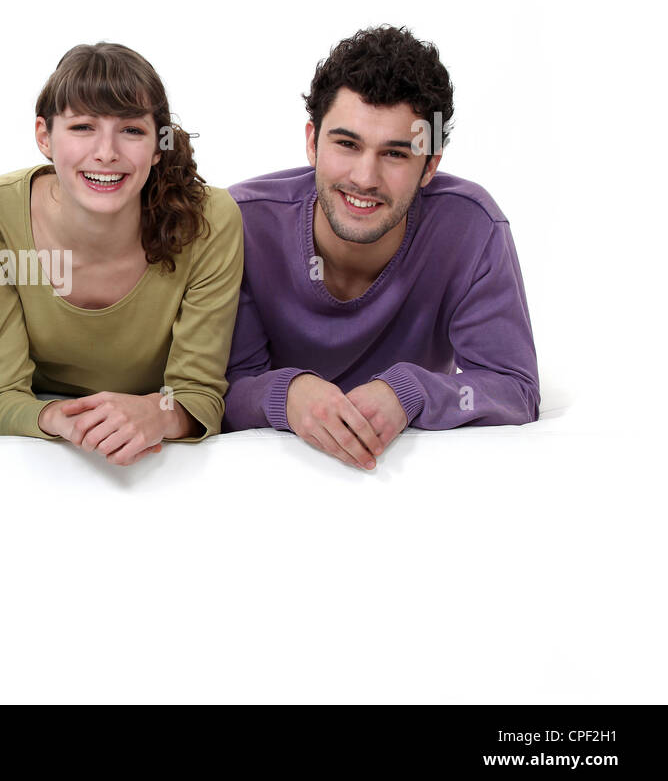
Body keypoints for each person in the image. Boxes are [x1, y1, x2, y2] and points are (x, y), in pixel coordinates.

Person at [223, 26, 540, 468]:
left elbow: (516, 389)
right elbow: (215, 390)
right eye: (347, 144)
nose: (365, 178)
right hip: (269, 475)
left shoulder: (471, 228)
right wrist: (287, 393)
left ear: (430, 166)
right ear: (312, 141)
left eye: (395, 154)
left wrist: (408, 391)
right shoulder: (241, 224)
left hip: (411, 476)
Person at [0, 42, 242, 465]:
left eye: (132, 130)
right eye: (82, 127)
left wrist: (157, 412)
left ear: (157, 147)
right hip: (42, 454)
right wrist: (59, 419)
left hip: (158, 457)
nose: (106, 152)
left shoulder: (211, 220)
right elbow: (1, 399)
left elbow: (199, 395)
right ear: (44, 136)